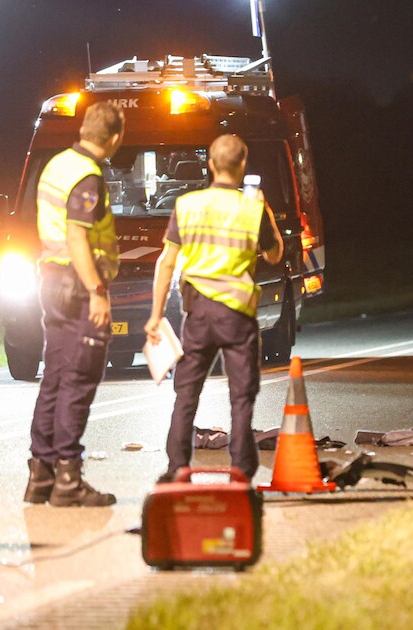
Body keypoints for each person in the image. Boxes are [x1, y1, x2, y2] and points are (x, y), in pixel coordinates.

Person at [145, 134, 283, 483]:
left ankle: (177, 469)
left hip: (198, 313)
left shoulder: (187, 205)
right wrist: (263, 218)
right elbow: (275, 253)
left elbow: (166, 262)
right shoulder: (252, 206)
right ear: (241, 166)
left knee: (186, 393)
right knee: (241, 395)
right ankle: (240, 471)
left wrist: (155, 313)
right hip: (236, 314)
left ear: (210, 164)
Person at [25, 102, 125, 507]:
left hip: (52, 280)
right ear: (115, 137)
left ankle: (41, 475)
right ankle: (69, 477)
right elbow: (77, 236)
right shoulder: (88, 176)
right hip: (76, 285)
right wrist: (97, 291)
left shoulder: (58, 164)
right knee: (79, 380)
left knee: (55, 376)